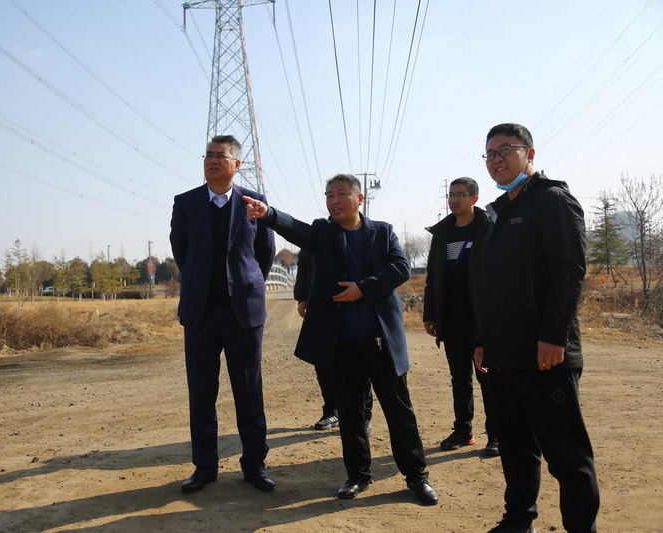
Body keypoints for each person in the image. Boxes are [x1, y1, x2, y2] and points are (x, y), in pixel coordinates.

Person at [244, 174, 438, 506]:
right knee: (350, 413)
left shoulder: (383, 232)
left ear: (359, 198)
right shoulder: (322, 232)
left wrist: (363, 288)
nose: (334, 200)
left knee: (399, 411)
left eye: (342, 194)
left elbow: (401, 268)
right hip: (341, 341)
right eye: (329, 195)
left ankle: (417, 476)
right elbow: (297, 230)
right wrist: (269, 214)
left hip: (381, 339)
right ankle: (358, 475)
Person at [474, 123, 599, 532]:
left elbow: (569, 269)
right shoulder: (499, 212)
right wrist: (484, 340)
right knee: (515, 445)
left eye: (505, 150)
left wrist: (554, 335)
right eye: (490, 154)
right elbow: (494, 284)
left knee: (567, 456)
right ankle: (518, 520)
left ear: (529, 153)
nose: (496, 160)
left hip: (545, 354)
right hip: (504, 354)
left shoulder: (553, 200)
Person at [169, 134, 276, 493]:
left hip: (242, 312)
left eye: (221, 156)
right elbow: (181, 251)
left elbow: (265, 253)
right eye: (208, 155)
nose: (212, 161)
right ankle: (205, 467)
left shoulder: (254, 202)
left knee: (249, 390)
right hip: (200, 312)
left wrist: (246, 283)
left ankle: (255, 464)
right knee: (201, 392)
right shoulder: (185, 203)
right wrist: (200, 281)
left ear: (236, 164)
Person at [423, 177, 497, 456]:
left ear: (474, 198)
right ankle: (463, 430)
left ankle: (496, 433)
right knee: (459, 378)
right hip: (452, 317)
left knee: (488, 377)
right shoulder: (442, 233)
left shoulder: (488, 228)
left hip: (483, 316)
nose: (454, 200)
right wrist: (430, 313)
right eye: (451, 194)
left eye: (460, 194)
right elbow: (433, 276)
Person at [295, 249, 373, 436]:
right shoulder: (316, 236)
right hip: (321, 304)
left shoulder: (359, 235)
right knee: (323, 359)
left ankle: (364, 414)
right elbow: (304, 263)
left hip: (355, 303)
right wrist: (302, 297)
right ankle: (332, 411)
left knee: (359, 361)